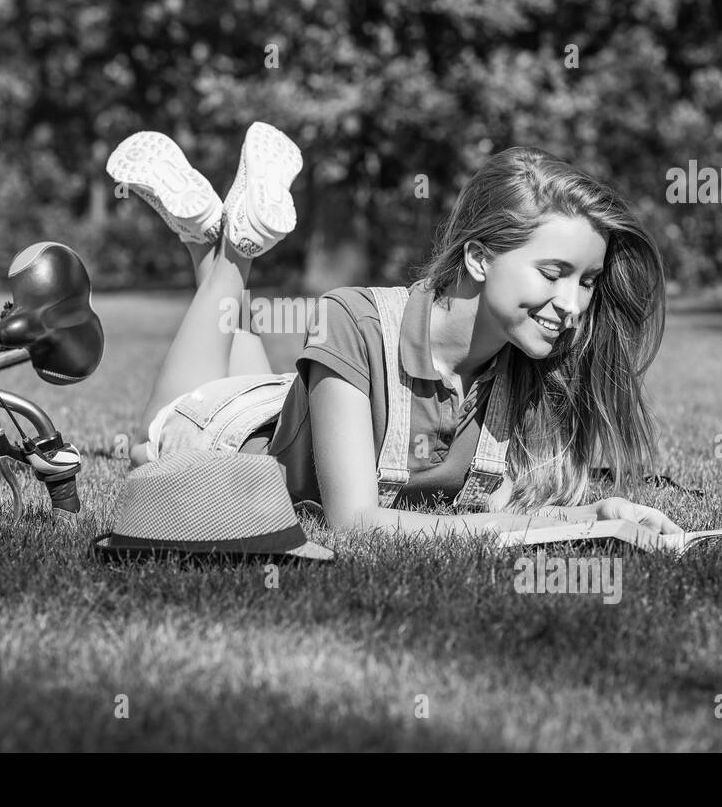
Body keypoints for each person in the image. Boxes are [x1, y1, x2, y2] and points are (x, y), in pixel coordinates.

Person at [107, 126, 683, 541]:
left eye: (587, 282)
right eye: (554, 274)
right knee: (156, 437)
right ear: (479, 259)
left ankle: (205, 232)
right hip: (222, 435)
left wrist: (597, 514)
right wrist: (538, 524)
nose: (574, 305)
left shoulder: (522, 365)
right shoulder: (352, 319)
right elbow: (355, 525)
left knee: (234, 324)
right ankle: (234, 248)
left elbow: (497, 508)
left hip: (287, 408)